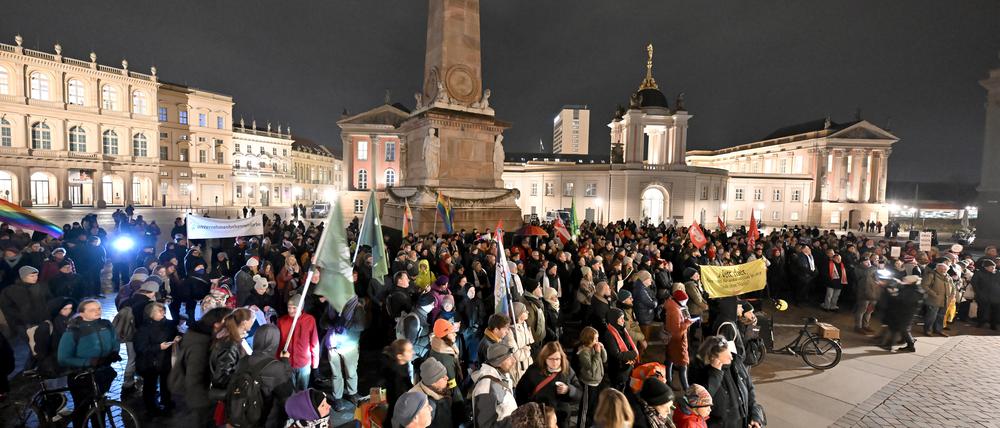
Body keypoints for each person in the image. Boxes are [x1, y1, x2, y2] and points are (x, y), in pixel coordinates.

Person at [57, 299, 120, 426]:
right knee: (82, 410)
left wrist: (113, 352)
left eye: (99, 308)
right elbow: (63, 358)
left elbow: (115, 341)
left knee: (100, 407)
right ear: (82, 313)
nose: (97, 311)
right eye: (92, 310)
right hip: (81, 376)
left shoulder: (106, 324)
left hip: (102, 373)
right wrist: (89, 361)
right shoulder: (74, 331)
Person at [177, 306, 232, 427]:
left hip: (203, 391)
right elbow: (195, 372)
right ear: (217, 324)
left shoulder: (205, 335)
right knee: (203, 421)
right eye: (228, 320)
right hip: (201, 393)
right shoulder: (200, 341)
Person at [231, 323, 295, 427]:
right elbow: (287, 394)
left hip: (242, 413)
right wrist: (285, 361)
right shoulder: (278, 367)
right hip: (266, 420)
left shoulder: (243, 361)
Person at [514, 342, 581, 428]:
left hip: (561, 418)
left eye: (557, 359)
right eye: (551, 359)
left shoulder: (567, 371)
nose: (555, 362)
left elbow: (579, 393)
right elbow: (520, 394)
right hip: (539, 418)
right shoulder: (534, 371)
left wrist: (568, 390)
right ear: (544, 358)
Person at [134, 301, 179, 416]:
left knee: (166, 382)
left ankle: (166, 401)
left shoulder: (168, 324)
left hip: (165, 359)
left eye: (163, 310)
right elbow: (140, 347)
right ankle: (151, 407)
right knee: (150, 385)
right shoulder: (144, 328)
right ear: (151, 314)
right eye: (159, 311)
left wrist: (177, 338)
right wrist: (159, 347)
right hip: (149, 362)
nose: (163, 312)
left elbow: (174, 333)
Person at [471, 342, 518, 428]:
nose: (514, 360)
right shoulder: (486, 389)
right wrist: (515, 420)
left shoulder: (502, 376)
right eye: (509, 358)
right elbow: (485, 426)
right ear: (498, 362)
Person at [278, 294, 321, 391]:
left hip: (304, 363)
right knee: (289, 391)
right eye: (289, 308)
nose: (291, 311)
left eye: (294, 308)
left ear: (301, 308)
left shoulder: (309, 320)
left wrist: (315, 363)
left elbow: (314, 342)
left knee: (302, 390)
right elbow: (279, 343)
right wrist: (278, 360)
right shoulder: (282, 321)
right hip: (287, 363)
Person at [0, 266, 51, 337]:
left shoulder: (41, 287)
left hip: (42, 322)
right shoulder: (12, 291)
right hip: (23, 325)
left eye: (36, 275)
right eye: (32, 276)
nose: (35, 277)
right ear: (23, 277)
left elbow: (49, 302)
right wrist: (20, 319)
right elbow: (7, 308)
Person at [879, 275, 924, 352]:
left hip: (906, 313)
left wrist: (894, 294)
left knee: (903, 329)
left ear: (911, 282)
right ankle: (889, 345)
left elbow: (904, 300)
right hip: (901, 312)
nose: (904, 281)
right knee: (895, 328)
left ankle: (910, 345)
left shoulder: (914, 291)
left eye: (906, 280)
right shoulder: (910, 288)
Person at [600, 308, 639, 390]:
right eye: (620, 318)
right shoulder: (608, 334)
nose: (623, 320)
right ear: (614, 319)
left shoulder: (622, 329)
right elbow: (616, 354)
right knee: (619, 389)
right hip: (618, 369)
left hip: (627, 366)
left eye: (623, 318)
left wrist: (632, 355)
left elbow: (628, 345)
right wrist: (634, 353)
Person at [408, 357, 453, 427]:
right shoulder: (428, 406)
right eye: (443, 377)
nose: (447, 378)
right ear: (433, 382)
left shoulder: (437, 389)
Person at [576, 326, 606, 428]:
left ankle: (590, 425)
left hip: (597, 382)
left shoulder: (594, 348)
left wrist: (602, 349)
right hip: (588, 383)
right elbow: (591, 368)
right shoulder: (584, 352)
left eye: (598, 338)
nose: (597, 341)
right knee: (586, 408)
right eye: (595, 339)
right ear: (588, 339)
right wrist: (597, 353)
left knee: (593, 407)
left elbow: (604, 359)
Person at [665, 289, 695, 391]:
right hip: (678, 341)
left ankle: (669, 381)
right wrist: (687, 323)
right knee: (683, 364)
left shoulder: (673, 306)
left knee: (669, 360)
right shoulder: (675, 310)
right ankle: (687, 389)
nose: (685, 302)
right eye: (685, 300)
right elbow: (677, 330)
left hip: (672, 340)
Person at [382, 339, 415, 422]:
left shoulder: (404, 362)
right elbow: (397, 394)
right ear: (400, 356)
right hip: (396, 399)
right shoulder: (395, 373)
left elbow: (407, 379)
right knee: (393, 414)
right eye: (409, 351)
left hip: (401, 394)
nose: (413, 352)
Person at [921, 259, 953, 337]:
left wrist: (952, 295)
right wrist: (934, 294)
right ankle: (928, 330)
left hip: (945, 300)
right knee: (931, 316)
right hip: (933, 300)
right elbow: (924, 286)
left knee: (941, 316)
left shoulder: (948, 277)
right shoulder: (931, 275)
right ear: (937, 268)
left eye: (945, 269)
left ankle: (938, 330)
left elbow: (953, 287)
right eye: (941, 269)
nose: (943, 270)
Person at [506, 302, 534, 385]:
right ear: (518, 314)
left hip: (528, 365)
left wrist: (526, 349)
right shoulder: (510, 331)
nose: (527, 312)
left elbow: (531, 343)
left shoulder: (525, 325)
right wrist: (527, 350)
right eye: (524, 311)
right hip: (518, 369)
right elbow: (517, 355)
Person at [972, 259, 1000, 330]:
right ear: (986, 267)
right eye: (991, 267)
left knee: (995, 311)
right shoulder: (979, 273)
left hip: (996, 295)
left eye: (994, 267)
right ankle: (980, 322)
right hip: (983, 295)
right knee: (981, 310)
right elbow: (974, 283)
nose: (993, 269)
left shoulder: (998, 273)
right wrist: (979, 292)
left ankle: (993, 325)